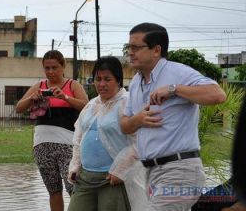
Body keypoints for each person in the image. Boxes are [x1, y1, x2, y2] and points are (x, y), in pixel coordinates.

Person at [121, 22, 227, 211]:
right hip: (150, 172)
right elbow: (125, 126)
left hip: (180, 170)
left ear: (156, 50)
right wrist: (138, 120)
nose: (130, 52)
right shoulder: (136, 82)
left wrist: (174, 89)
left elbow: (217, 94)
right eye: (129, 47)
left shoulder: (177, 72)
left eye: (136, 47)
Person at [16, 50, 88, 211]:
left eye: (54, 67)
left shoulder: (72, 85)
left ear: (63, 66)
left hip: (67, 145)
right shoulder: (39, 86)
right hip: (42, 146)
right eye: (47, 68)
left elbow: (87, 107)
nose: (50, 72)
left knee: (73, 188)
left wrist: (65, 98)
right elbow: (19, 108)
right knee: (53, 190)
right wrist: (32, 98)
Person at [67, 56, 131, 211]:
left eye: (107, 79)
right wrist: (75, 166)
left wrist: (121, 170)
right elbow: (78, 137)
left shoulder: (128, 103)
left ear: (118, 80)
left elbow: (139, 141)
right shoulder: (91, 105)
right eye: (98, 79)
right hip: (85, 178)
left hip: (112, 179)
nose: (102, 84)